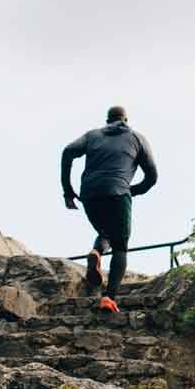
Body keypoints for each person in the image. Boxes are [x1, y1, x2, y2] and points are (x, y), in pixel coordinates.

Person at [60, 105, 158, 312]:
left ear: (107, 120)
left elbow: (68, 151)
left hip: (89, 194)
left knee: (105, 232)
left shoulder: (92, 135)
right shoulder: (137, 138)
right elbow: (152, 177)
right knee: (120, 246)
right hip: (118, 193)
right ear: (126, 119)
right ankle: (109, 297)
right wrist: (132, 190)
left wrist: (68, 191)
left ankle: (97, 251)